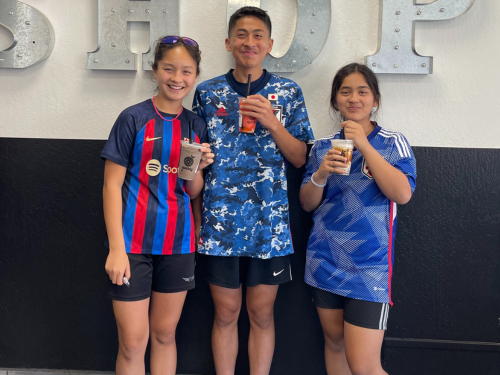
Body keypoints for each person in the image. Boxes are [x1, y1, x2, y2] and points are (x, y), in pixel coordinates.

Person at [192, 6, 314, 375]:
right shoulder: (207, 92)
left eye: (258, 35)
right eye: (242, 34)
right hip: (219, 223)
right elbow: (194, 158)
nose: (250, 42)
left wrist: (273, 124)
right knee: (225, 313)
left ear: (270, 44)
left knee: (262, 313)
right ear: (229, 42)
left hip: (269, 224)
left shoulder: (287, 92)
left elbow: (300, 159)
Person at [101, 36, 214, 375]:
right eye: (169, 69)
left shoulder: (195, 124)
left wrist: (198, 167)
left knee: (165, 335)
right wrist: (116, 250)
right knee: (134, 341)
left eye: (186, 71)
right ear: (155, 71)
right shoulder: (132, 118)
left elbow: (192, 191)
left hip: (178, 244)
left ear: (195, 76)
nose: (177, 78)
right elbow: (110, 186)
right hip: (131, 246)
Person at [300, 63, 417, 375]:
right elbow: (307, 203)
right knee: (335, 344)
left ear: (374, 100)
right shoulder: (323, 147)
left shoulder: (393, 142)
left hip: (370, 266)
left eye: (362, 91)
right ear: (336, 100)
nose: (354, 98)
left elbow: (402, 194)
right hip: (325, 259)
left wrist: (364, 145)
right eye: (345, 91)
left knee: (364, 365)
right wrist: (321, 172)